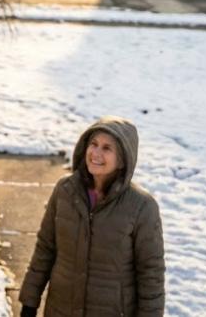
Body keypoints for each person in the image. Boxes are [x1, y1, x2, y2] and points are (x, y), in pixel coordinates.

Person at [19, 116, 165, 317]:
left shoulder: (142, 207)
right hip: (60, 310)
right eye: (93, 144)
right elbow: (45, 249)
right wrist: (29, 302)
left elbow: (151, 275)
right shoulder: (65, 191)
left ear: (123, 159)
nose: (96, 153)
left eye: (107, 148)